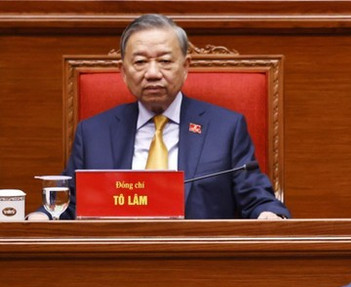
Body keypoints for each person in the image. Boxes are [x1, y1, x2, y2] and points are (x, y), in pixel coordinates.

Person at [29, 13, 289, 221]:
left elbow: (256, 196)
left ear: (186, 66)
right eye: (140, 62)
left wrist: (268, 214)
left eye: (165, 61)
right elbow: (69, 205)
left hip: (200, 265)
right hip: (114, 265)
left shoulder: (226, 128)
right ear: (122, 70)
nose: (153, 73)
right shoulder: (94, 133)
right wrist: (42, 217)